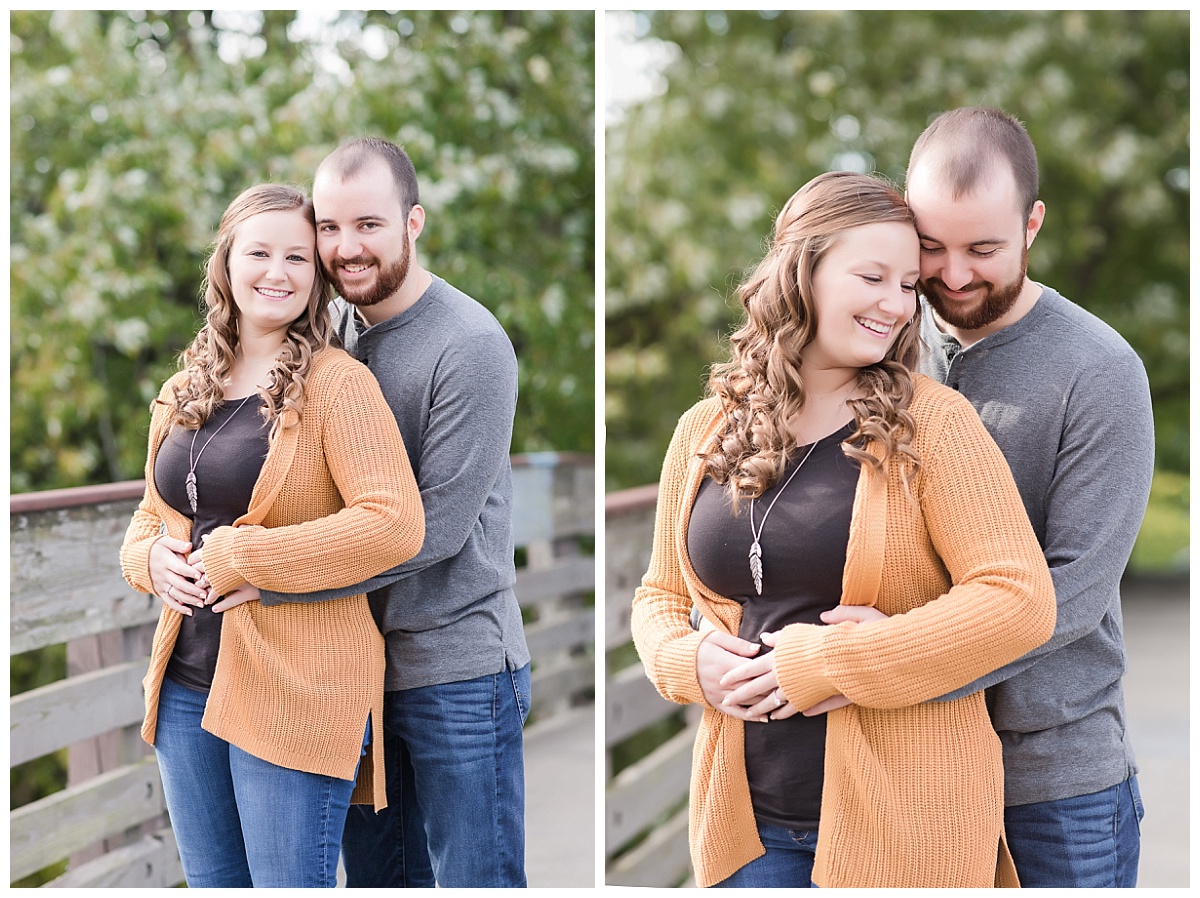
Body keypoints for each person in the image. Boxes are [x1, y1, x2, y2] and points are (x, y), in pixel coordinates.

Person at [631, 170, 1055, 888]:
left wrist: (835, 663)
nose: (896, 305)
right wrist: (684, 662)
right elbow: (658, 596)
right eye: (873, 277)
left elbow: (1019, 599)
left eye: (908, 285)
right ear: (804, 272)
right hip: (747, 831)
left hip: (906, 824)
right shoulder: (705, 429)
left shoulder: (934, 425)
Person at [119, 184, 425, 887]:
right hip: (185, 686)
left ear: (316, 275)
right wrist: (146, 560)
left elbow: (395, 522)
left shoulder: (337, 385)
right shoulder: (183, 387)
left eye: (296, 256)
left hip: (298, 687)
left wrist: (243, 556)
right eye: (258, 252)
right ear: (225, 263)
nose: (277, 272)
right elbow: (150, 516)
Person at [252, 137, 531, 888]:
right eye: (330, 228)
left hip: (457, 669)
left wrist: (269, 578)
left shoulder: (469, 344)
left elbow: (433, 528)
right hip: (356, 672)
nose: (347, 249)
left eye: (368, 225)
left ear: (414, 222)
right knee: (380, 881)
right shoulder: (328, 334)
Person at [905, 106, 1154, 887]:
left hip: (1054, 789)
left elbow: (1072, 593)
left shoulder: (1099, 370)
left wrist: (891, 661)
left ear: (1033, 224)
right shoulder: (884, 336)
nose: (952, 275)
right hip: (911, 773)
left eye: (983, 248)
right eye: (930, 246)